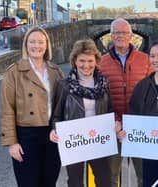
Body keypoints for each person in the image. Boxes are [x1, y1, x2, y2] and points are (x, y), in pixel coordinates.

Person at [0, 26, 64, 187]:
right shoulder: (14, 72)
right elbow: (7, 109)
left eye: (41, 42)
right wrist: (12, 142)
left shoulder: (55, 71)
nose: (37, 46)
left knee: (49, 182)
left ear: (47, 45)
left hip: (52, 134)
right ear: (26, 45)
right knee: (28, 183)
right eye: (32, 42)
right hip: (26, 136)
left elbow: (64, 104)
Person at [117, 40, 158, 187]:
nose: (155, 60)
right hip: (149, 150)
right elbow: (134, 115)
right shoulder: (143, 85)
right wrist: (126, 131)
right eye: (152, 56)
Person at [49, 39, 112, 187]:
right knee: (75, 182)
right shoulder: (64, 85)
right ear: (74, 61)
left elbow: (110, 109)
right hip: (75, 140)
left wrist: (115, 123)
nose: (86, 65)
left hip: (98, 139)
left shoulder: (104, 83)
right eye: (81, 60)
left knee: (104, 180)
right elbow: (57, 114)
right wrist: (54, 129)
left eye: (90, 60)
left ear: (96, 61)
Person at [99, 18, 152, 187]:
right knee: (111, 176)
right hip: (112, 127)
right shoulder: (101, 62)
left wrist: (138, 120)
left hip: (139, 127)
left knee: (144, 175)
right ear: (111, 36)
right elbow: (99, 95)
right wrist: (116, 122)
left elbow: (152, 93)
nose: (120, 36)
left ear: (131, 35)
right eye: (116, 32)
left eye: (124, 32)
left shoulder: (145, 60)